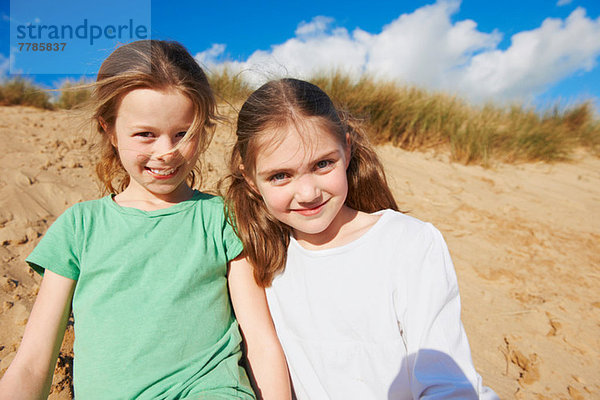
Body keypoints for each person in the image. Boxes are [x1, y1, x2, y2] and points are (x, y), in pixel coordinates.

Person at [0, 40, 290, 400]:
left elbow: (260, 341)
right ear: (108, 129)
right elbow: (32, 363)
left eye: (183, 133)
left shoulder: (221, 218)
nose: (166, 151)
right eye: (145, 135)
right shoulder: (80, 226)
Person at [224, 78, 499, 399]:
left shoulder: (408, 243)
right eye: (280, 176)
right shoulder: (261, 255)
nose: (308, 193)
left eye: (323, 164)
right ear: (250, 179)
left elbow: (445, 380)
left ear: (347, 148)